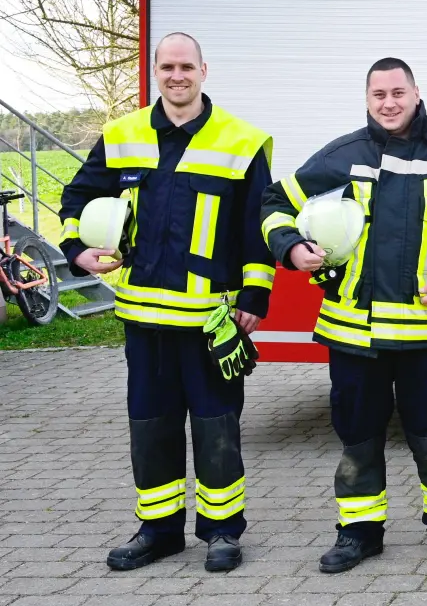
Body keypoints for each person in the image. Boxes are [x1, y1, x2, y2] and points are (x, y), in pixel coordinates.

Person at [259, 57, 427, 572]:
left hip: (425, 333)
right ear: (367, 100)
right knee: (358, 439)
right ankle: (359, 534)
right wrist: (292, 247)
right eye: (378, 95)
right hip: (353, 334)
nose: (388, 103)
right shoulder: (344, 155)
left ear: (415, 93)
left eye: (397, 93)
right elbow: (274, 201)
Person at [58, 32, 274, 573]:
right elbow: (77, 197)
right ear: (155, 71)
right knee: (151, 428)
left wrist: (256, 292)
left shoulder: (241, 141)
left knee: (216, 426)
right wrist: (77, 250)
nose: (177, 76)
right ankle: (158, 532)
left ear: (205, 70)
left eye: (186, 67)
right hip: (144, 320)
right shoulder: (122, 134)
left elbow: (257, 226)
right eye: (167, 67)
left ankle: (222, 532)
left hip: (212, 318)